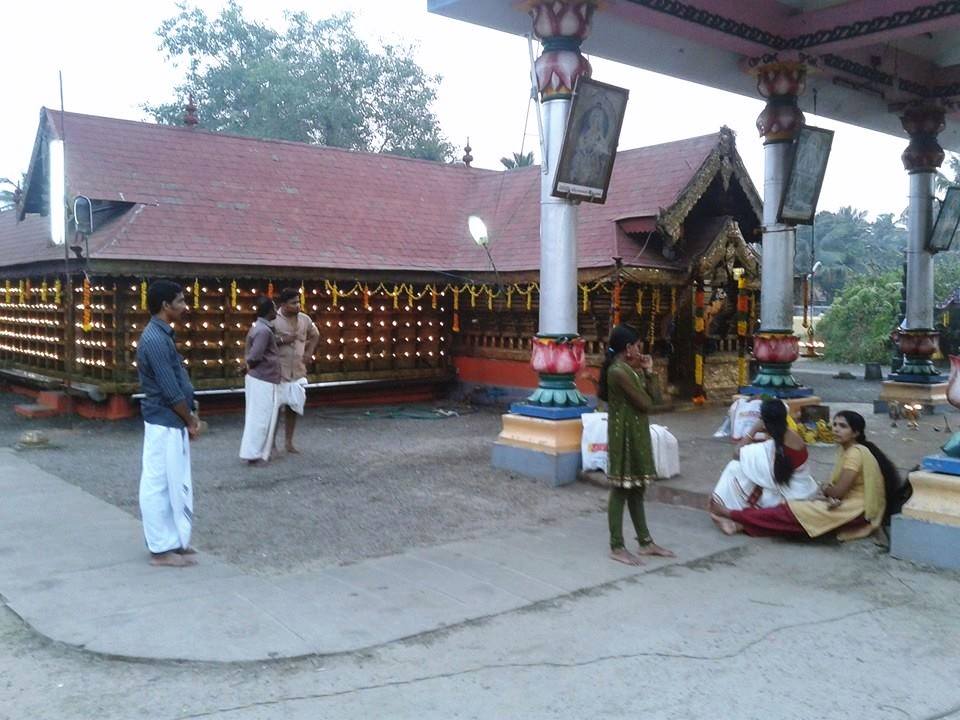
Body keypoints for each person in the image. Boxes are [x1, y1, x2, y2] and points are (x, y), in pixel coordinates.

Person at [710, 411, 905, 541]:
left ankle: (730, 515)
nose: (835, 429)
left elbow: (839, 490)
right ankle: (739, 524)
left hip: (853, 511)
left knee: (788, 513)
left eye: (842, 426)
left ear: (856, 432)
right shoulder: (850, 450)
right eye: (834, 424)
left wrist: (826, 490)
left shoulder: (855, 453)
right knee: (787, 515)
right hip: (847, 506)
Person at [136, 280, 201, 567]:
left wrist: (190, 413)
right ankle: (160, 550)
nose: (185, 307)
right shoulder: (154, 339)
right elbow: (169, 388)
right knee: (158, 483)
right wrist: (190, 419)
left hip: (171, 420)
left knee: (175, 482)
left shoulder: (162, 336)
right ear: (165, 305)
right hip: (165, 420)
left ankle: (174, 540)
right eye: (181, 301)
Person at [599, 324, 675, 565]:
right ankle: (616, 545)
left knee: (636, 489)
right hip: (625, 436)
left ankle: (645, 541)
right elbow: (646, 403)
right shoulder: (618, 372)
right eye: (638, 344)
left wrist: (647, 372)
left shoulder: (629, 370)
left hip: (636, 432)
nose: (641, 349)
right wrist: (647, 372)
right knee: (621, 490)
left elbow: (656, 399)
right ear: (629, 348)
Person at [711, 399, 818, 514]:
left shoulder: (779, 444)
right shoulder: (788, 437)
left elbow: (736, 453)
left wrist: (753, 430)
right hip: (798, 490)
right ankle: (724, 506)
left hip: (789, 495)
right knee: (748, 469)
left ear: (764, 421)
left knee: (735, 467)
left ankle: (723, 507)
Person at [273, 288, 320, 453]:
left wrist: (309, 352)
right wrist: (282, 339)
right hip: (278, 372)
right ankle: (271, 444)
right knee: (275, 410)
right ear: (283, 305)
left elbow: (316, 335)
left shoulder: (305, 319)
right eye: (293, 303)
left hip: (298, 371)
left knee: (293, 407)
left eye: (299, 302)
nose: (298, 305)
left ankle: (288, 442)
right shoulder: (273, 320)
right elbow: (263, 341)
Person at [239, 296, 281, 464]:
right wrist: (248, 365)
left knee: (257, 416)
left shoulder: (259, 327)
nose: (276, 311)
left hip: (260, 377)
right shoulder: (263, 330)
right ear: (270, 310)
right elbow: (256, 355)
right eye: (275, 308)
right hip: (263, 378)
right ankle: (253, 453)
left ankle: (255, 451)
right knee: (261, 418)